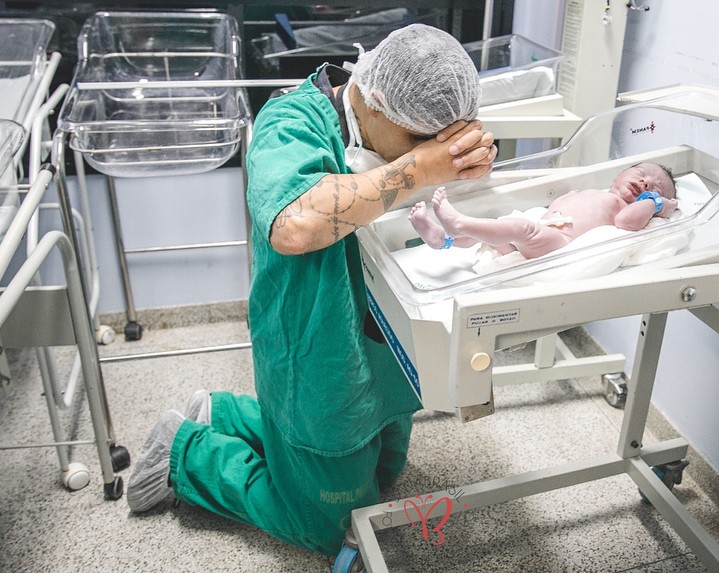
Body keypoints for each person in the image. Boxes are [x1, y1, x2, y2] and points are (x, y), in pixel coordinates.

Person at [125, 23, 496, 557]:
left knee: (385, 474)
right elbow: (295, 223)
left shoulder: (405, 125)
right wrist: (418, 169)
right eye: (423, 141)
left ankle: (224, 413)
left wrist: (465, 160)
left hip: (386, 343)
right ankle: (186, 454)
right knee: (328, 522)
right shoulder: (291, 123)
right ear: (375, 100)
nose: (439, 152)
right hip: (319, 344)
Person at [409, 162, 677, 259]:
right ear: (620, 173)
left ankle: (459, 223)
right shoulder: (595, 192)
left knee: (520, 229)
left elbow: (628, 223)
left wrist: (657, 204)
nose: (645, 182)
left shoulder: (624, 208)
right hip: (546, 229)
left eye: (654, 188)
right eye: (642, 174)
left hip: (560, 243)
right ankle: (443, 239)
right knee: (494, 231)